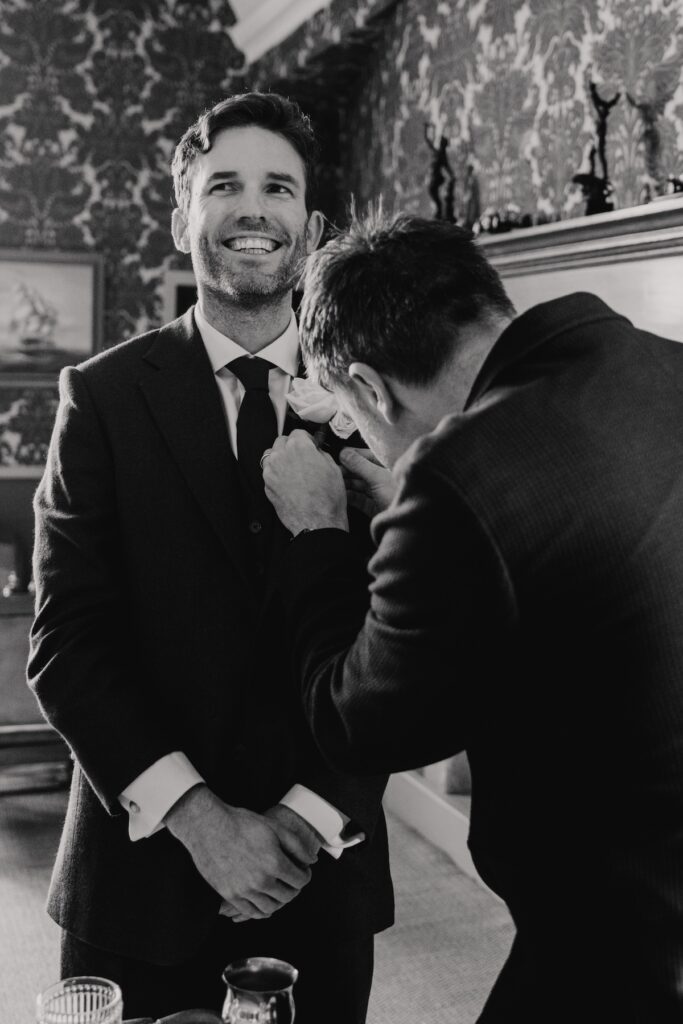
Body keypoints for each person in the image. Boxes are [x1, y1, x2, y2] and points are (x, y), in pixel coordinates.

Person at [261, 210, 683, 1022]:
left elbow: (359, 724)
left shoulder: (454, 478)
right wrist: (419, 521)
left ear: (368, 389)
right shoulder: (661, 364)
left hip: (621, 939)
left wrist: (317, 533)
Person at [28, 94, 393, 1022]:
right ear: (181, 216)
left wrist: (305, 819)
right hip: (137, 881)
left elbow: (407, 639)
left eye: (278, 188)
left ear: (312, 228)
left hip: (321, 877)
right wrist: (199, 821)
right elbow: (66, 642)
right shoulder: (101, 397)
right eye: (223, 185)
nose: (251, 209)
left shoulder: (380, 401)